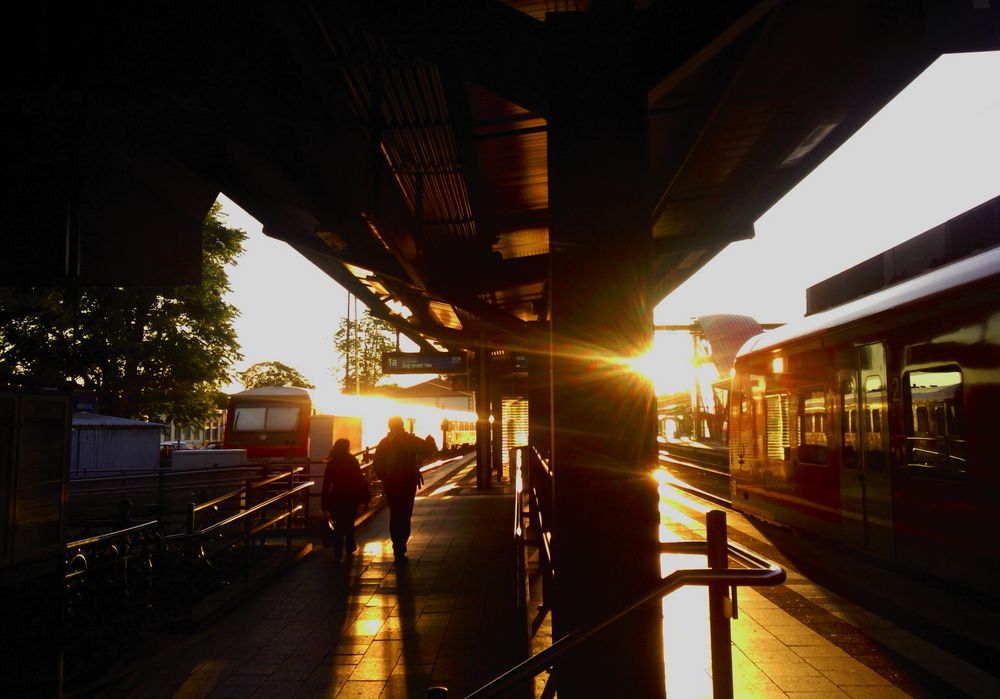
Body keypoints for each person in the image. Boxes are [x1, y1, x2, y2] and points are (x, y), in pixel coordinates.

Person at [373, 416, 433, 563]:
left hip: (391, 485)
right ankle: (401, 546)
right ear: (401, 425)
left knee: (395, 515)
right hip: (407, 483)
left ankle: (396, 547)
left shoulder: (384, 443)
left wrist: (386, 477)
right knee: (405, 515)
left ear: (389, 427)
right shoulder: (408, 439)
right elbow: (428, 449)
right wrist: (430, 441)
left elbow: (377, 464)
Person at [321, 438, 370, 561]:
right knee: (349, 522)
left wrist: (324, 502)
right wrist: (365, 493)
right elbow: (359, 477)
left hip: (336, 496)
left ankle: (337, 550)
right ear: (346, 447)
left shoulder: (332, 462)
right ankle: (349, 545)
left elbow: (326, 483)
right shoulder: (352, 460)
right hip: (351, 496)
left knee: (338, 525)